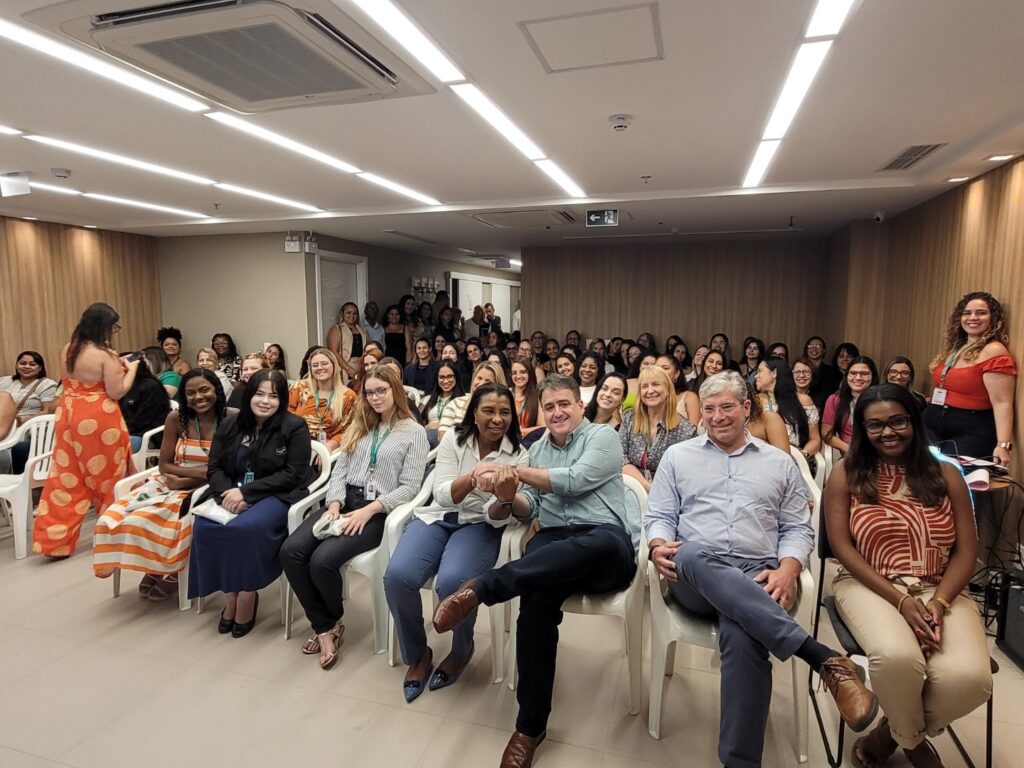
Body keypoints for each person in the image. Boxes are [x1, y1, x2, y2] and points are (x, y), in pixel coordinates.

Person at [645, 371, 878, 768]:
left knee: (744, 636)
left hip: (759, 574)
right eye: (711, 409)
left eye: (728, 407)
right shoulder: (679, 456)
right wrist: (656, 545)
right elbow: (661, 515)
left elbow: (795, 527)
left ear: (747, 408)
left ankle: (740, 762)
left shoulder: (778, 462)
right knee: (691, 554)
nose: (718, 417)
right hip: (692, 575)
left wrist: (788, 569)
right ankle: (820, 656)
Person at [431, 374, 639, 767]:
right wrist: (510, 496)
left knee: (588, 546)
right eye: (550, 407)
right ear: (542, 411)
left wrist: (516, 472)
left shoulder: (602, 437)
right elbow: (532, 508)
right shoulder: (537, 448)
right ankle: (530, 728)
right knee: (535, 608)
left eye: (565, 404)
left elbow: (575, 482)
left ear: (580, 405)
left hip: (604, 543)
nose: (557, 412)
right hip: (555, 541)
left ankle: (484, 587)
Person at [824, 384, 991, 768]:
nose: (888, 432)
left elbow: (967, 551)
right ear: (863, 430)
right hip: (870, 584)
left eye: (898, 421)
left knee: (970, 680)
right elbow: (842, 549)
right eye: (875, 425)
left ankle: (889, 736)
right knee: (899, 659)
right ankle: (916, 748)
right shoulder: (846, 473)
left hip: (940, 586)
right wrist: (901, 601)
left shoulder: (946, 474)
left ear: (914, 422)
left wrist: (938, 602)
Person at [386, 383, 528, 700]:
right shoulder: (454, 439)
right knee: (398, 577)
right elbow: (441, 494)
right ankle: (417, 654)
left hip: (478, 524)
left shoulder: (518, 454)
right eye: (488, 410)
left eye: (505, 412)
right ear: (473, 413)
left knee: (453, 582)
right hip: (438, 516)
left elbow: (497, 518)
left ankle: (461, 650)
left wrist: (503, 498)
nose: (497, 419)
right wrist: (473, 478)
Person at [280, 364, 428, 669]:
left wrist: (369, 510)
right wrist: (333, 503)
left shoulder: (413, 432)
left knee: (322, 562)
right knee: (290, 551)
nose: (375, 398)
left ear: (395, 391)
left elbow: (411, 488)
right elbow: (340, 470)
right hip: (344, 503)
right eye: (369, 392)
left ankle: (328, 624)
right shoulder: (359, 423)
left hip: (378, 511)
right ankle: (325, 624)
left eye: (381, 391)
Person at [189, 369, 317, 638]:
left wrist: (246, 493)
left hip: (277, 494)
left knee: (245, 529)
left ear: (282, 399)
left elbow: (293, 474)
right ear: (249, 395)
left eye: (273, 396)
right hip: (231, 492)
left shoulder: (294, 427)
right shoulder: (230, 424)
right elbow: (214, 468)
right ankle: (230, 594)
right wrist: (227, 493)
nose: (265, 401)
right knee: (204, 526)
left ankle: (247, 593)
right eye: (259, 394)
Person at [93, 369, 227, 600]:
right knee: (117, 516)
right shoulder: (177, 418)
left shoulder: (230, 418)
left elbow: (229, 468)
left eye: (205, 390)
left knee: (165, 521)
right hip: (169, 482)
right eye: (191, 393)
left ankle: (173, 570)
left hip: (207, 487)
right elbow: (165, 465)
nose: (198, 397)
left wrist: (187, 479)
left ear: (217, 389)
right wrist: (181, 478)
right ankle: (154, 567)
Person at [33, 302, 137, 558]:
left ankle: (54, 542)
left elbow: (73, 382)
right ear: (105, 327)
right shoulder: (106, 355)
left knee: (66, 477)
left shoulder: (69, 349)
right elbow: (117, 391)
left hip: (68, 414)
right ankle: (110, 538)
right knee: (108, 477)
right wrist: (131, 369)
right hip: (98, 418)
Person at [925, 291, 1016, 466]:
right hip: (932, 422)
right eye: (967, 313)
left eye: (981, 313)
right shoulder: (956, 347)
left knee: (951, 480)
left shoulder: (994, 350)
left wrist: (1003, 445)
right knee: (923, 476)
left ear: (993, 318)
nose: (972, 317)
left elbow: (1003, 403)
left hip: (970, 428)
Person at [620, 366, 696, 492]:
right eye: (644, 386)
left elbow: (685, 473)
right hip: (628, 490)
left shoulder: (686, 431)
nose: (650, 391)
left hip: (667, 494)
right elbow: (620, 457)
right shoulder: (630, 419)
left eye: (656, 384)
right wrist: (646, 486)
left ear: (668, 389)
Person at [287, 348, 356, 453]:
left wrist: (327, 448)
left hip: (328, 450)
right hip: (295, 446)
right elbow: (286, 418)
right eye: (315, 365)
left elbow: (348, 430)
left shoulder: (348, 396)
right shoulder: (299, 387)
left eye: (324, 364)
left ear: (334, 366)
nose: (320, 368)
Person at [756, 358, 821, 469]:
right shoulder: (755, 402)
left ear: (774, 373)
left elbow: (815, 439)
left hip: (797, 463)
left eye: (760, 371)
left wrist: (801, 456)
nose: (756, 376)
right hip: (762, 463)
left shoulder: (803, 401)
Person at [1, 350, 59, 472]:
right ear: (17, 365)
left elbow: (47, 412)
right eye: (23, 363)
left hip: (27, 427)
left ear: (40, 368)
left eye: (32, 364)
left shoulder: (46, 384)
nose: (26, 366)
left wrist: (23, 419)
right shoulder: (4, 381)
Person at [823, 357, 879, 457]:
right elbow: (826, 433)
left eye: (864, 374)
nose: (858, 378)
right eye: (853, 373)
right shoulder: (834, 400)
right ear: (847, 375)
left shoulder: (881, 401)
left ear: (873, 376)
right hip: (849, 454)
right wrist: (848, 449)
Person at [438, 361, 506, 439]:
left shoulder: (503, 412)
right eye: (479, 378)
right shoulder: (456, 403)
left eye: (488, 381)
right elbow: (442, 436)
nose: (481, 383)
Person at [119, 354, 171, 452]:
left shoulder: (150, 386)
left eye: (122, 364)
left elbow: (141, 421)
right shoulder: (121, 387)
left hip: (147, 435)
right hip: (128, 432)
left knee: (115, 446)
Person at [326, 302, 368, 385]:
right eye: (348, 313)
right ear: (342, 314)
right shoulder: (337, 329)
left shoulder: (363, 330)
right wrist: (348, 369)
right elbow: (333, 351)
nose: (352, 316)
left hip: (360, 368)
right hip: (344, 368)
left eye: (354, 313)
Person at [420, 361, 464, 440]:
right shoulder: (428, 399)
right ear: (437, 378)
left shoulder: (462, 400)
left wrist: (439, 425)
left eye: (450, 376)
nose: (446, 381)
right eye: (442, 377)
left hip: (449, 438)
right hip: (426, 438)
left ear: (456, 377)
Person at [656, 354, 701, 426]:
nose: (660, 372)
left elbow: (694, 432)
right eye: (657, 369)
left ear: (676, 374)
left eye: (665, 368)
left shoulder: (689, 397)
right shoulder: (651, 396)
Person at [510, 359, 546, 439]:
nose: (518, 376)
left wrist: (522, 431)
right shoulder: (506, 393)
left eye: (523, 372)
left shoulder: (537, 395)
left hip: (529, 443)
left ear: (530, 373)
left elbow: (543, 427)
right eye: (514, 373)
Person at [805, 336, 842, 412]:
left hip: (827, 411)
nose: (814, 349)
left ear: (824, 351)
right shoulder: (800, 370)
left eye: (818, 346)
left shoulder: (833, 372)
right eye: (810, 346)